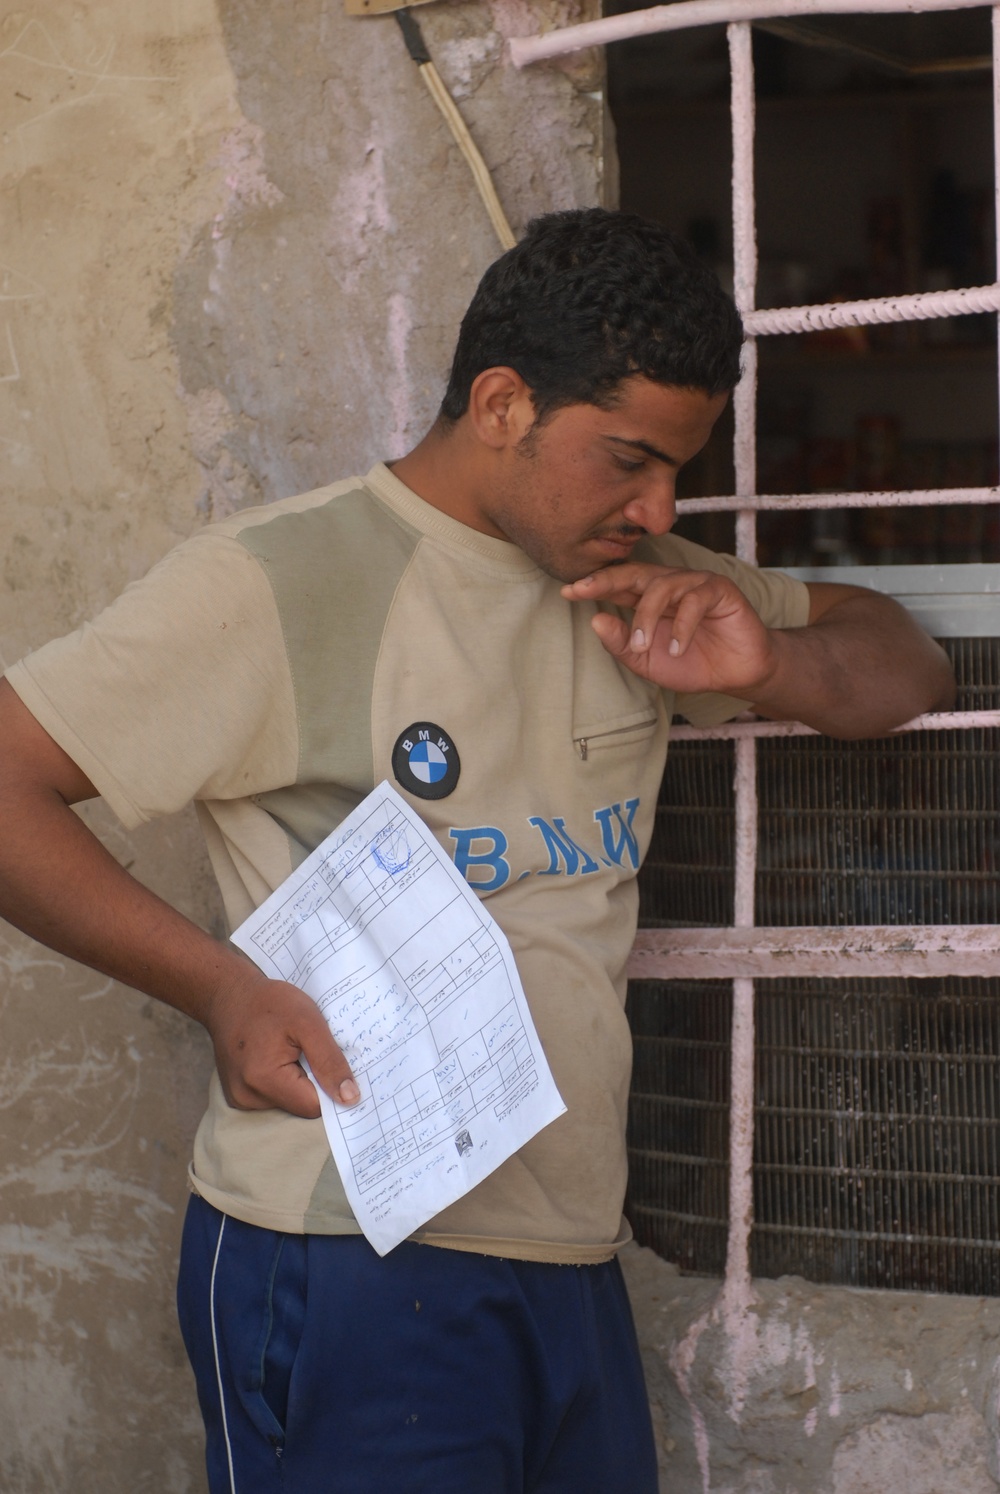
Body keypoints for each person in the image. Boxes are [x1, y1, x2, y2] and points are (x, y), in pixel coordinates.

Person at [0, 208, 954, 1493]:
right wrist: (219, 986)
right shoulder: (280, 581)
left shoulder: (647, 583)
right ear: (501, 401)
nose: (660, 504)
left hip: (565, 1255)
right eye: (627, 459)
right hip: (345, 1253)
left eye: (680, 468)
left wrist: (775, 661)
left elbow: (904, 664)